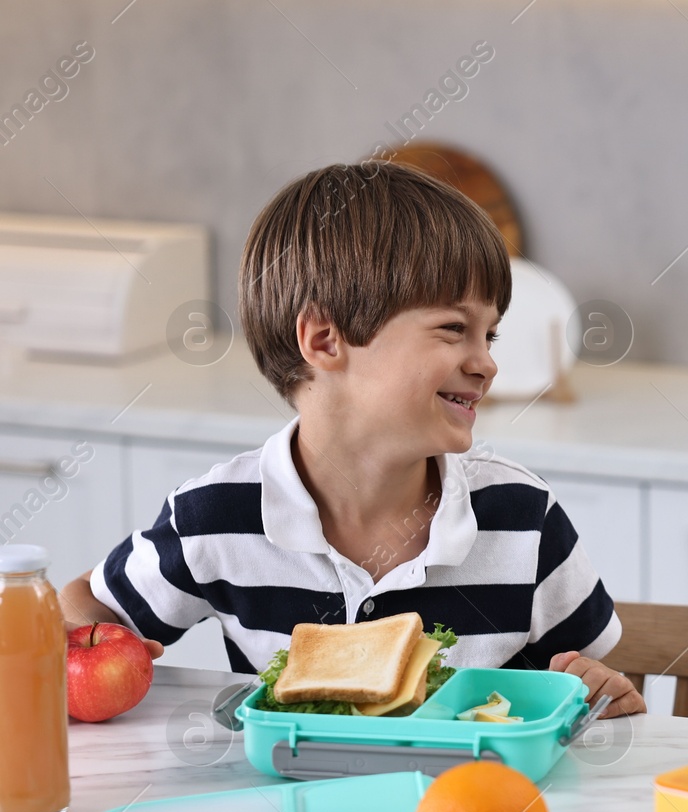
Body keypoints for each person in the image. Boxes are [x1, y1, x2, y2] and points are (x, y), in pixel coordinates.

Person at [60, 160, 644, 717]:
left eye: (489, 336)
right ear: (324, 341)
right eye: (453, 329)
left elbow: (593, 690)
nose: (487, 364)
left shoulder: (523, 518)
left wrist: (602, 694)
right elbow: (85, 608)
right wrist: (78, 638)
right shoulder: (217, 516)